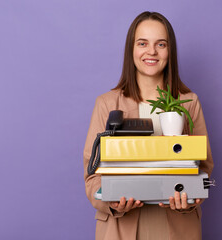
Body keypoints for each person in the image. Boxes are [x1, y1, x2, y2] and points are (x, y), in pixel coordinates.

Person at [83, 11, 214, 240]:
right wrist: (110, 201)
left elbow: (203, 167)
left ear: (169, 50)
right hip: (121, 227)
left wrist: (190, 198)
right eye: (142, 43)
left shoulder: (189, 101)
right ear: (131, 49)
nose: (151, 52)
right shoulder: (106, 103)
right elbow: (92, 175)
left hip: (176, 226)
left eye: (160, 44)